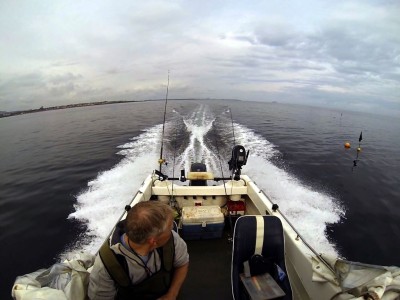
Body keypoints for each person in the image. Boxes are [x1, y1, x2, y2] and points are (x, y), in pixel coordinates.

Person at [88, 201, 189, 300]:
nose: (172, 228)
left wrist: (172, 294)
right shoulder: (107, 265)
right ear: (153, 241)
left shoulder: (172, 241)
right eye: (169, 227)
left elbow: (182, 264)